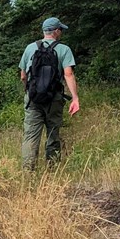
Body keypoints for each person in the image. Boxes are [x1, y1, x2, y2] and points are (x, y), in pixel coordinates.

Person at [19, 17, 80, 170]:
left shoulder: (30, 48)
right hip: (54, 99)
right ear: (56, 31)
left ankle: (27, 172)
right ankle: (52, 170)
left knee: (31, 136)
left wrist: (30, 90)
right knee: (53, 134)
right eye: (61, 30)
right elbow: (68, 74)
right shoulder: (64, 49)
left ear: (45, 31)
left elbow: (23, 76)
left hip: (33, 99)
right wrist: (75, 98)